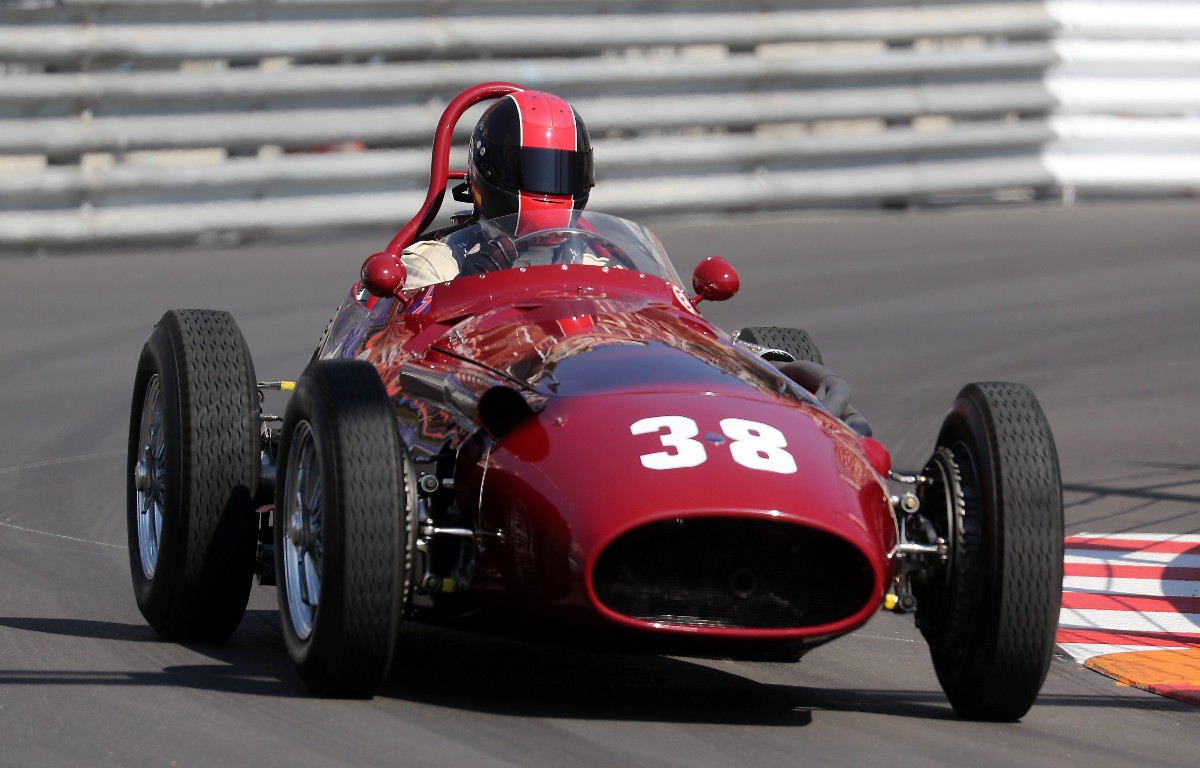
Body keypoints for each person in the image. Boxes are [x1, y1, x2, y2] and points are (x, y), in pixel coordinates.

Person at [402, 89, 595, 289]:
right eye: (533, 171)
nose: (550, 187)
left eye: (561, 173)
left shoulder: (595, 268)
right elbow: (404, 317)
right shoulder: (434, 266)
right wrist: (464, 290)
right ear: (487, 169)